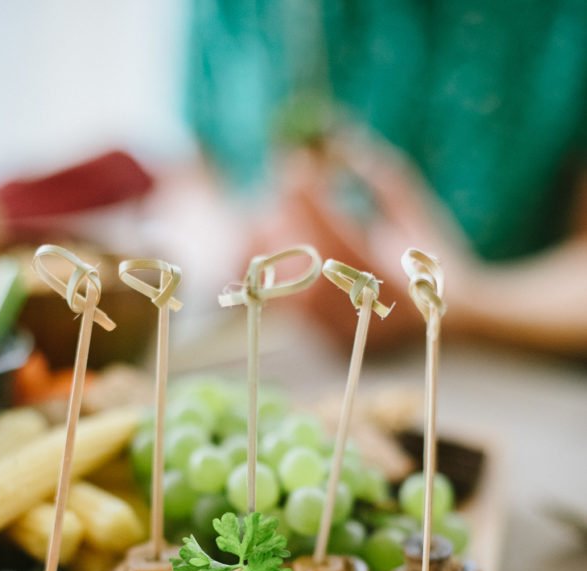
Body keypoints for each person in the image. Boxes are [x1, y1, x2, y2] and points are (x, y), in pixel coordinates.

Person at [182, 0, 587, 354]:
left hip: (519, 385)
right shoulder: (228, 9)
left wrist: (464, 300)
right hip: (279, 363)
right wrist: (236, 241)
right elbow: (202, 172)